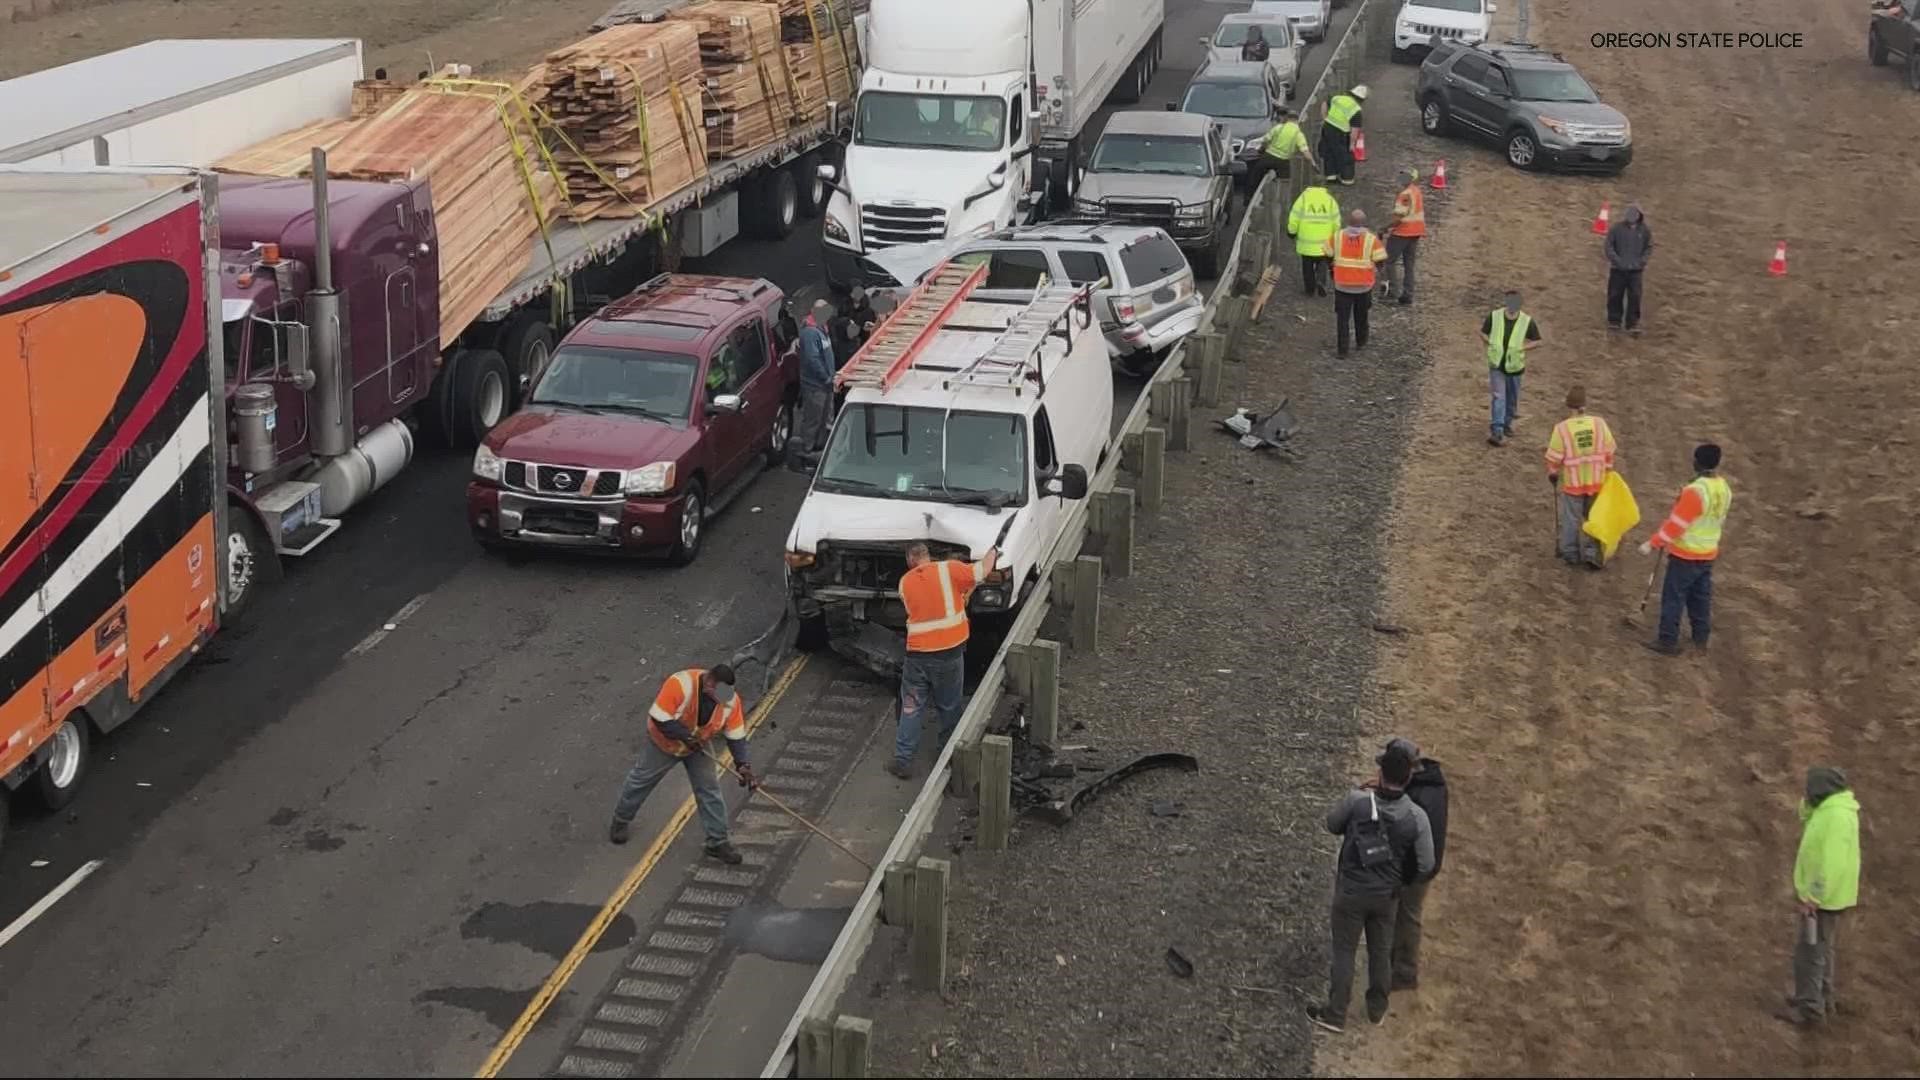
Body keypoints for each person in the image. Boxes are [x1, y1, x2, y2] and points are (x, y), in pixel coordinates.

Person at [1308, 742, 1435, 1033]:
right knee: (1380, 950)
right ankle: (1376, 1008)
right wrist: (1400, 881)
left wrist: (1358, 792)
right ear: (1407, 779)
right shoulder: (1417, 817)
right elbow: (1427, 863)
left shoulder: (1358, 801)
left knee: (1344, 951)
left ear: (1380, 773)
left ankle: (1335, 1014)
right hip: (1386, 896)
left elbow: (1332, 824)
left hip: (1351, 892)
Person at [609, 665, 758, 864]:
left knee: (709, 790)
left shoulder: (728, 698)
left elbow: (736, 735)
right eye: (717, 694)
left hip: (698, 747)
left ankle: (717, 842)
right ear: (708, 683)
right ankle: (621, 820)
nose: (721, 700)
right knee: (641, 781)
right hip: (664, 744)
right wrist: (684, 736)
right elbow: (660, 716)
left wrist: (743, 765)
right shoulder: (680, 684)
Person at [889, 541, 1000, 779]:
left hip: (917, 657)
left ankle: (903, 760)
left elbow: (925, 604)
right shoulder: (949, 569)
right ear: (928, 556)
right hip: (949, 653)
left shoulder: (904, 583)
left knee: (911, 707)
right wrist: (993, 551)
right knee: (949, 705)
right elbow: (982, 572)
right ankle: (947, 755)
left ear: (910, 561)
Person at [1777, 766, 1861, 1026]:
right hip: (1830, 897)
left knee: (1810, 952)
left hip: (1823, 900)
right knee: (1822, 949)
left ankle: (1810, 1011)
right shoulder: (1831, 808)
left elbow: (1830, 864)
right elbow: (1806, 815)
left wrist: (1814, 897)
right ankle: (1820, 998)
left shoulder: (1835, 817)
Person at [1637, 443, 1733, 655]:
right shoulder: (1724, 488)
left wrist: (1652, 543)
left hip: (1686, 555)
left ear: (1696, 462)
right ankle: (1701, 638)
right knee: (1700, 598)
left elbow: (1676, 525)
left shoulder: (1694, 491)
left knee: (1674, 598)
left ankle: (1667, 641)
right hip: (1707, 554)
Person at [1378, 738, 1448, 992]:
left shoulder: (1416, 800)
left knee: (1406, 915)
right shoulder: (1433, 784)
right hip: (1426, 862)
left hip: (1415, 867)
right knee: (1408, 913)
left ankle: (1403, 972)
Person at [1544, 385, 1618, 569]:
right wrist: (1607, 470)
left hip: (1573, 484)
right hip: (1596, 481)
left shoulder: (1562, 429)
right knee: (1594, 518)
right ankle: (1593, 553)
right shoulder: (1599, 424)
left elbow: (1553, 457)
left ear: (1569, 406)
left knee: (1571, 519)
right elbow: (1610, 450)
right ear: (1585, 405)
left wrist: (1552, 472)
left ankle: (1570, 553)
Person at [1481, 291, 1543, 447]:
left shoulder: (1526, 321)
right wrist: (1492, 344)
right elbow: (1483, 332)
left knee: (1512, 397)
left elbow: (1537, 340)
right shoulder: (1494, 316)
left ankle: (1506, 422)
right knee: (1499, 396)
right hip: (1497, 364)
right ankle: (1498, 429)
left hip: (1514, 366)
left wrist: (1523, 348)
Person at [1326, 209, 1385, 357]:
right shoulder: (1371, 239)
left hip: (1342, 286)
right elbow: (1380, 259)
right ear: (1364, 223)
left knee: (1342, 320)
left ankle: (1342, 351)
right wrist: (1377, 273)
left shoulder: (1338, 236)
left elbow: (1327, 253)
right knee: (1362, 316)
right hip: (1363, 287)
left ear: (1348, 221)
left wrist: (1332, 269)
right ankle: (1361, 341)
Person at [1287, 175, 1342, 297]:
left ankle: (1309, 289)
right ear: (1324, 186)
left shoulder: (1303, 199)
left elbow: (1294, 217)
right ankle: (1321, 281)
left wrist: (1291, 232)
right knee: (1322, 262)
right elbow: (1336, 222)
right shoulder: (1330, 200)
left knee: (1307, 267)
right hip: (1324, 242)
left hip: (1306, 242)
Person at [1604, 203, 1653, 333]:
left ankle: (1633, 324)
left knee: (1635, 296)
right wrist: (1617, 261)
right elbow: (1609, 246)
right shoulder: (1616, 229)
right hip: (1618, 270)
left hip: (1635, 272)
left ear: (1639, 216)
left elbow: (1649, 247)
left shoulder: (1644, 231)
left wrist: (1641, 262)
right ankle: (1614, 321)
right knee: (1615, 295)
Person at [1381, 166, 1425, 305]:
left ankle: (1393, 292)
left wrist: (1384, 228)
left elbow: (1398, 218)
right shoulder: (1416, 191)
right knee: (1409, 264)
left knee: (1389, 261)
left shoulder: (1405, 195)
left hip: (1403, 232)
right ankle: (1408, 294)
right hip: (1416, 232)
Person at [795, 299, 835, 454]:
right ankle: (806, 449)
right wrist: (825, 377)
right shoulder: (810, 332)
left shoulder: (821, 328)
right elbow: (813, 359)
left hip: (826, 384)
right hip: (816, 386)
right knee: (813, 418)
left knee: (825, 418)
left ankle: (819, 447)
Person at [1249, 106, 1316, 194]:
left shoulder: (1279, 127)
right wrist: (1314, 163)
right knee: (1285, 182)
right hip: (1283, 161)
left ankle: (1249, 198)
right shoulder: (1298, 134)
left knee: (1255, 175)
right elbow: (1306, 152)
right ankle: (1282, 198)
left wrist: (1262, 150)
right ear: (1297, 120)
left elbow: (1266, 140)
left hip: (1269, 157)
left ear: (1287, 118)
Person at [1319, 83, 1366, 186]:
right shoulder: (1356, 110)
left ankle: (1330, 177)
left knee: (1329, 152)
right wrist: (1352, 144)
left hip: (1328, 127)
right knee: (1346, 156)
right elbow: (1354, 131)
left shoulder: (1337, 98)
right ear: (1361, 99)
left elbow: (1324, 104)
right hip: (1341, 133)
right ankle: (1347, 179)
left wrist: (1324, 119)